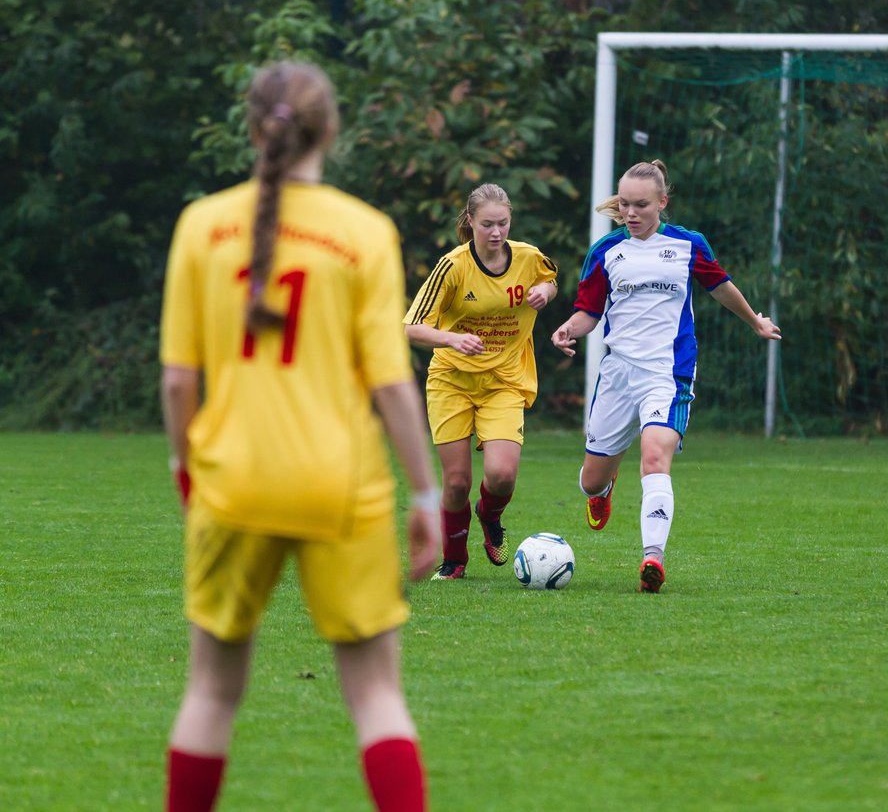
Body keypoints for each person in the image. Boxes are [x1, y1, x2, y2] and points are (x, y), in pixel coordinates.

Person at [160, 61, 443, 812]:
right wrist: (424, 491)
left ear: (252, 128)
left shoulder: (201, 226)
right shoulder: (365, 232)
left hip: (232, 481)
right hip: (339, 486)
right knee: (377, 695)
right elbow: (390, 385)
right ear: (334, 130)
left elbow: (178, 383)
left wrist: (186, 470)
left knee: (212, 695)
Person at [551, 159, 781, 593]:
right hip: (618, 376)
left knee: (655, 456)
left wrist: (754, 321)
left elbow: (721, 287)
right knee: (590, 481)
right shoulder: (606, 252)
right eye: (625, 205)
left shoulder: (688, 245)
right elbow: (589, 312)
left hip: (668, 373)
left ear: (662, 202)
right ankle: (603, 489)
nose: (632, 213)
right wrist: (567, 328)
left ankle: (652, 559)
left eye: (641, 205)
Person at [403, 183, 558, 580]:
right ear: (470, 221)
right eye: (487, 224)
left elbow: (550, 278)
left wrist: (545, 290)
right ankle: (454, 561)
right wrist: (453, 338)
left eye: (503, 223)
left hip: (505, 380)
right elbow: (411, 328)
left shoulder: (527, 257)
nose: (496, 232)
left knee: (503, 474)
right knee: (456, 482)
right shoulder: (453, 267)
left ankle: (490, 516)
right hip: (451, 380)